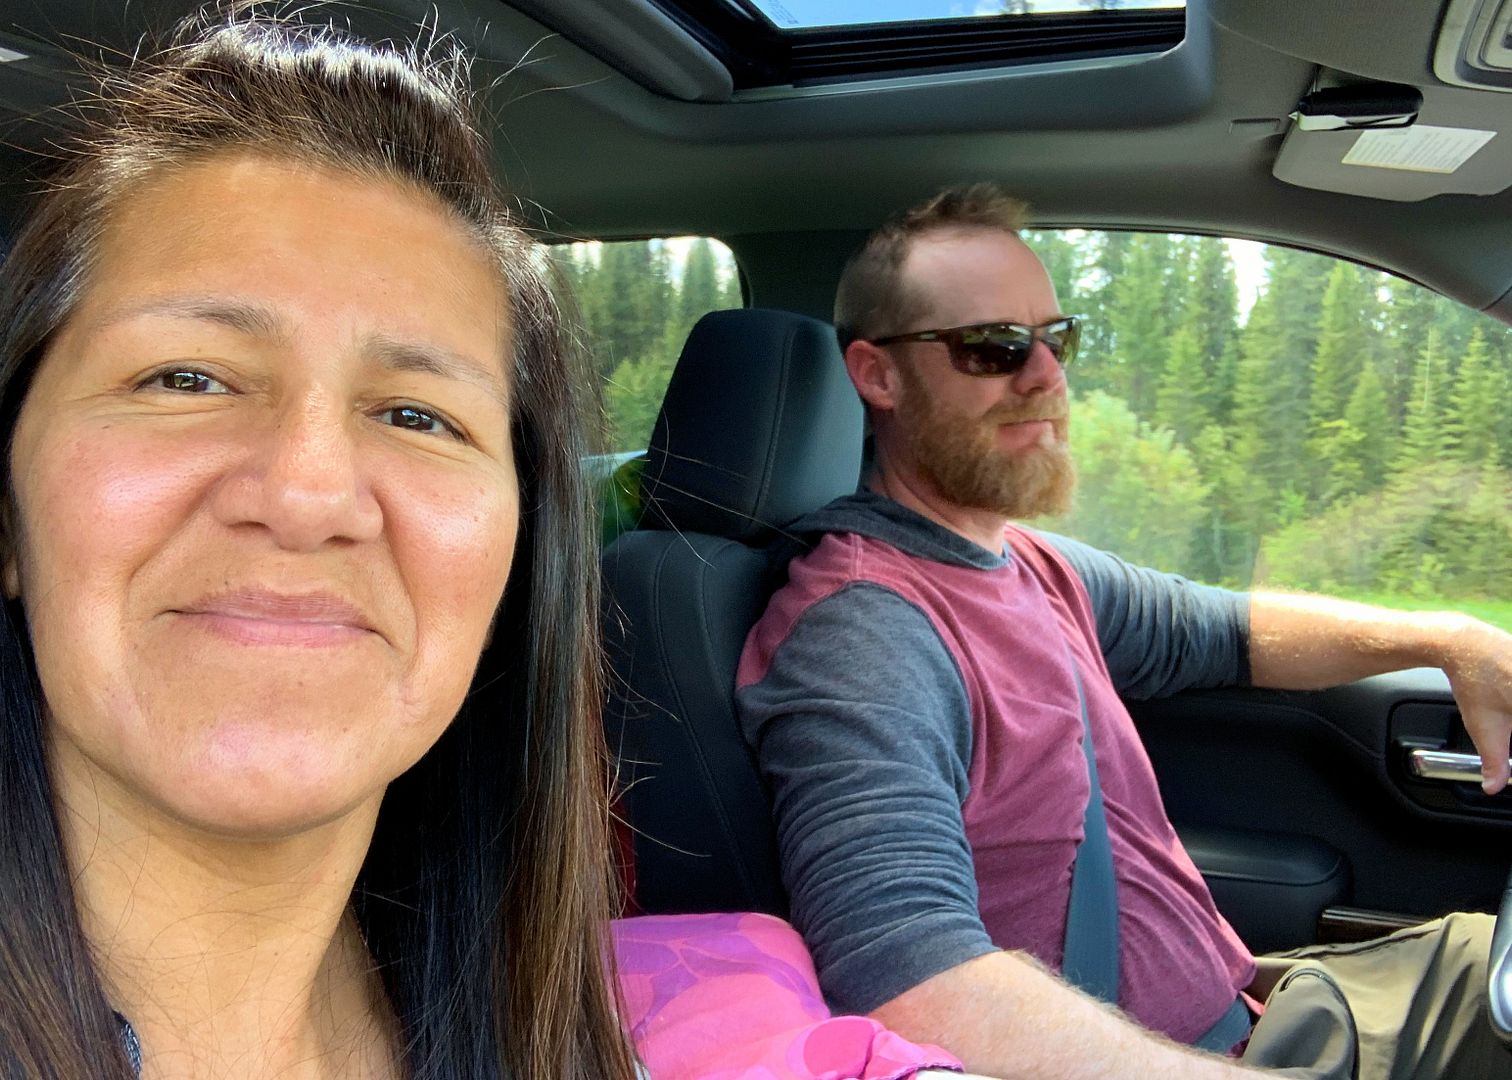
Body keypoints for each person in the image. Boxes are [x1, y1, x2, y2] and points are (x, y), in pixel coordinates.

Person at [735, 184, 1512, 1079]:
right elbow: (910, 981)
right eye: (995, 346)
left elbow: (1229, 629)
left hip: (1258, 1012)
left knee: (1476, 957)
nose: (1046, 377)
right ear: (878, 375)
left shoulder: (1028, 563)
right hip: (1201, 1060)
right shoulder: (864, 634)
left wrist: (1451, 639)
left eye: (1056, 339)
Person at [0, 9, 639, 1079]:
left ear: (513, 563)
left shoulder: (541, 1033)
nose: (306, 495)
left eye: (418, 416)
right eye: (185, 378)